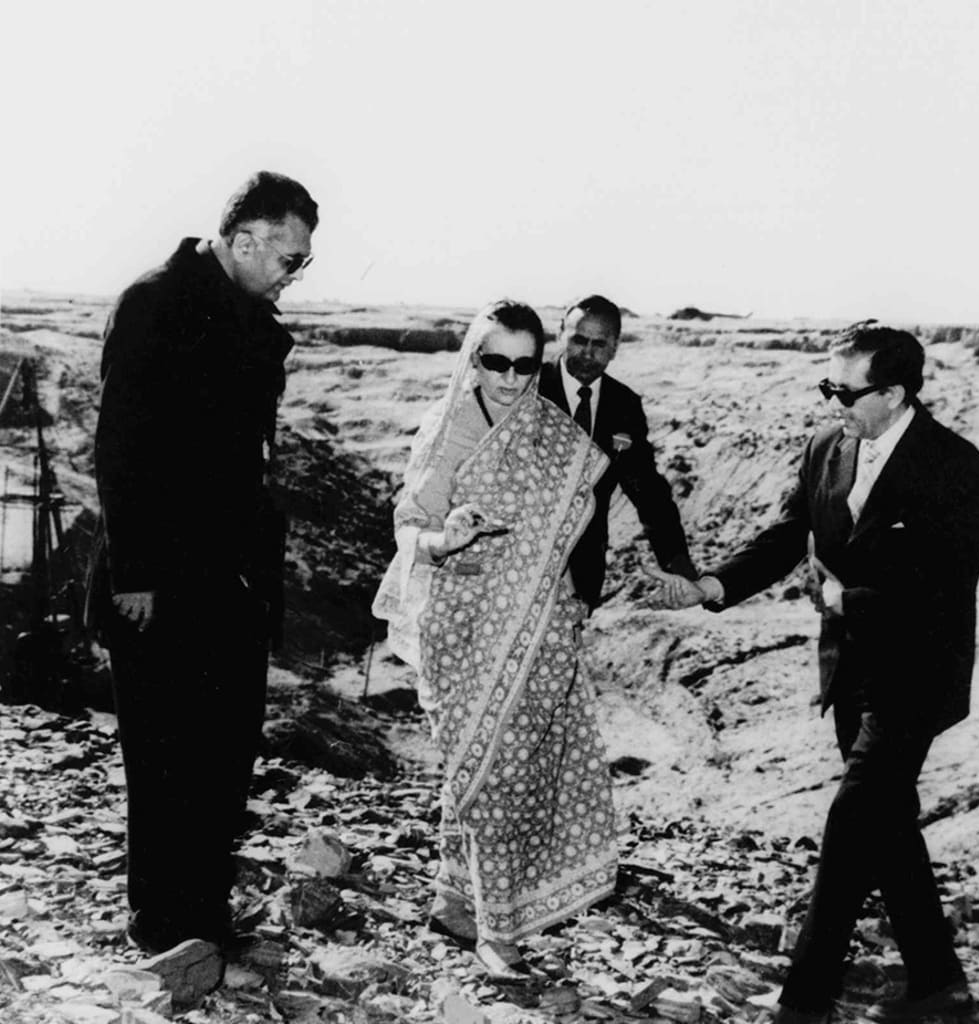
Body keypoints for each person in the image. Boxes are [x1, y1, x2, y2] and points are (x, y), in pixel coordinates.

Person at [670, 322, 979, 1023]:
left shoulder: (955, 464)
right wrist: (715, 586)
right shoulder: (826, 446)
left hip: (917, 673)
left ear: (896, 392)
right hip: (851, 670)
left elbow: (945, 583)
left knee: (852, 820)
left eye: (845, 391)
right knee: (886, 824)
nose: (832, 401)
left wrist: (849, 597)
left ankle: (804, 999)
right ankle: (940, 986)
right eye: (828, 387)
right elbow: (790, 533)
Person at [86, 170, 319, 953]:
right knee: (163, 761)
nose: (295, 275)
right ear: (245, 240)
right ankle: (161, 926)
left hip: (228, 582)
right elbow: (119, 448)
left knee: (224, 754)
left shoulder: (249, 320)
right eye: (291, 259)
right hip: (154, 583)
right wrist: (134, 576)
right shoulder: (154, 303)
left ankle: (204, 914)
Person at [373, 300, 618, 981]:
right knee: (487, 772)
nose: (511, 378)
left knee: (498, 770)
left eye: (525, 364)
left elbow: (561, 530)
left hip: (539, 627)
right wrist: (447, 536)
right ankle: (498, 930)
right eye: (496, 362)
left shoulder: (548, 428)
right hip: (463, 628)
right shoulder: (449, 428)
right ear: (472, 359)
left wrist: (564, 607)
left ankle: (456, 902)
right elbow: (409, 527)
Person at [539, 294, 698, 610]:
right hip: (516, 562)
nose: (587, 353)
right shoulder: (530, 389)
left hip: (584, 571)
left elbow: (649, 494)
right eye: (578, 340)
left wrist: (678, 567)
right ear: (560, 334)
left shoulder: (624, 405)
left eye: (599, 344)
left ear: (615, 347)